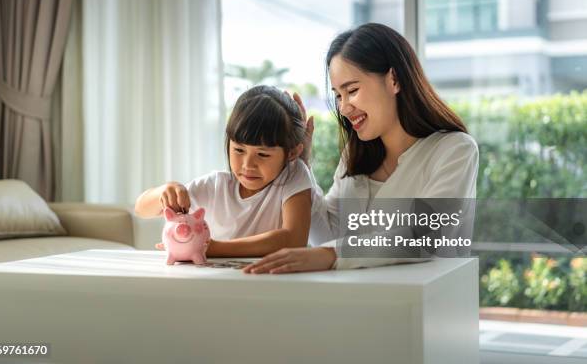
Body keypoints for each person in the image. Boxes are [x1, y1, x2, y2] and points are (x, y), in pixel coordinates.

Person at [243, 23, 479, 274]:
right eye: (338, 95)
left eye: (352, 90)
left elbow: (426, 236)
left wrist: (332, 253)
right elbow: (328, 233)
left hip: (425, 306)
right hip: (359, 303)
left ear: (394, 79)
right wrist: (299, 165)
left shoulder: (454, 150)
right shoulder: (354, 156)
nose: (343, 108)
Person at [135, 85, 326, 257]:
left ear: (292, 152)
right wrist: (166, 191)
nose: (248, 164)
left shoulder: (293, 176)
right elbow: (141, 208)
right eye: (239, 150)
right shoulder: (216, 186)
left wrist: (212, 248)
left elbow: (294, 239)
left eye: (263, 154)